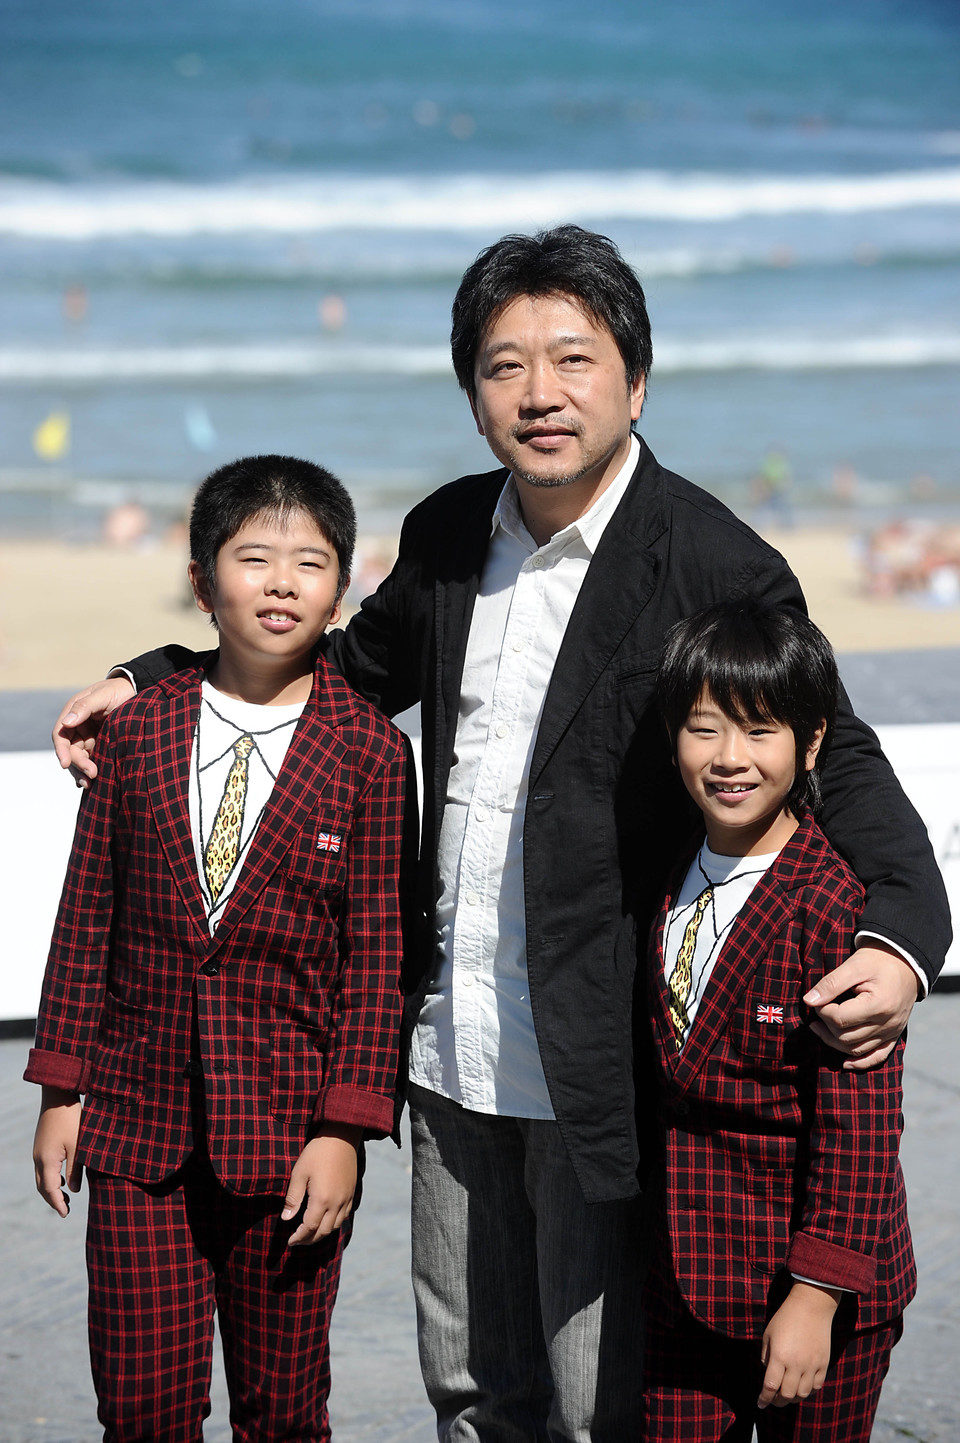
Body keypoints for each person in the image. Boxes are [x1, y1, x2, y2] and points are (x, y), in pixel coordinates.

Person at [52, 228, 949, 1442]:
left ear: (636, 379)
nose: (539, 393)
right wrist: (154, 673)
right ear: (472, 397)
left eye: (573, 359)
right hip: (449, 1041)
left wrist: (902, 936)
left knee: (593, 1406)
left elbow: (834, 752)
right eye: (503, 364)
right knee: (472, 1391)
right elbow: (333, 675)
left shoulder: (713, 556)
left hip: (592, 1051)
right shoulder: (447, 533)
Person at [28, 455, 410, 1441]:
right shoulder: (142, 732)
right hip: (134, 1126)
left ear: (342, 591)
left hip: (290, 1137)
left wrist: (347, 1129)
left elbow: (377, 957)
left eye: (309, 563)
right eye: (254, 558)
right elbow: (85, 921)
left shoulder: (371, 750)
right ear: (203, 584)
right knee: (144, 1407)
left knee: (284, 1412)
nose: (281, 582)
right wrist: (62, 1090)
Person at [641, 598, 915, 1440]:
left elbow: (861, 1130)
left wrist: (818, 1293)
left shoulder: (831, 908)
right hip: (683, 1281)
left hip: (816, 1293)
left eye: (760, 732)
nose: (730, 758)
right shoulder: (660, 870)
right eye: (704, 729)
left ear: (813, 742)